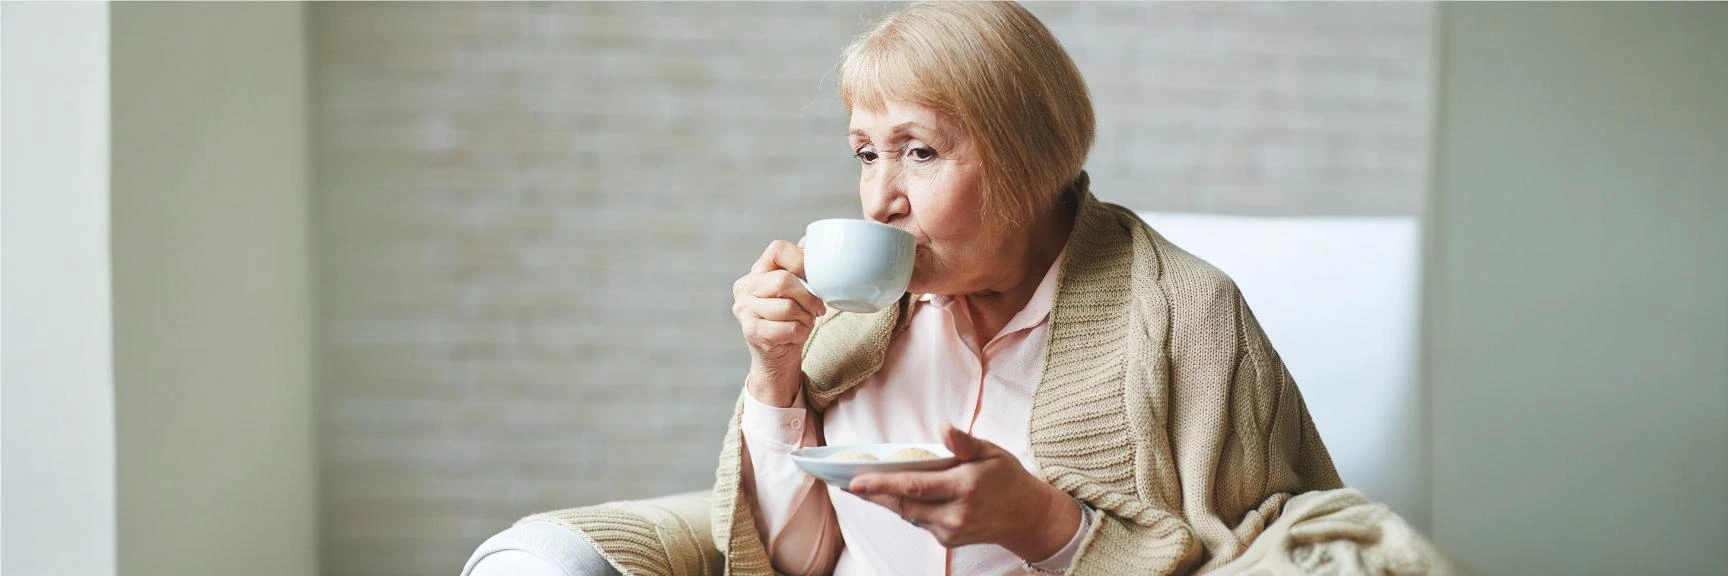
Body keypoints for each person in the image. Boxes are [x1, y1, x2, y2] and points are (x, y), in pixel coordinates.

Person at [718, 1, 1343, 574]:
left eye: (920, 152)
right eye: (866, 154)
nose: (880, 202)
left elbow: (1274, 556)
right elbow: (798, 562)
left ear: (1029, 157)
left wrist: (1044, 525)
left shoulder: (1191, 315)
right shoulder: (847, 323)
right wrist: (775, 376)